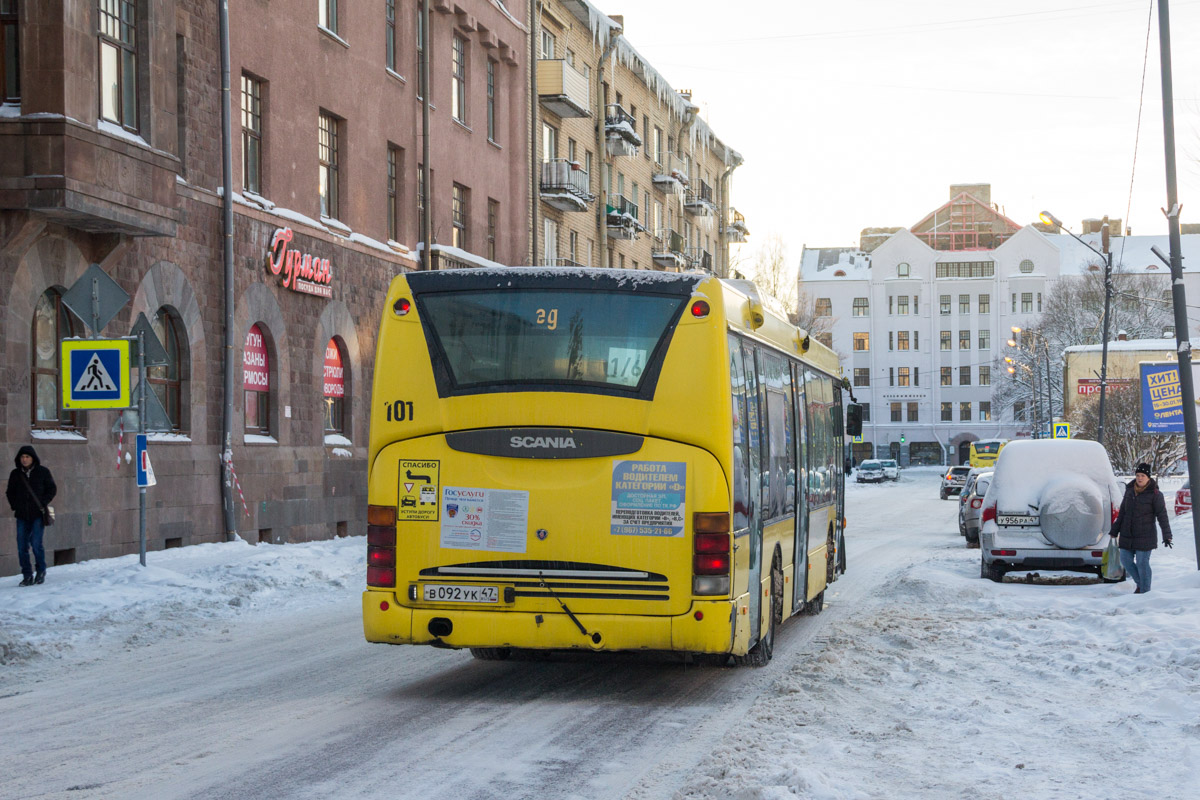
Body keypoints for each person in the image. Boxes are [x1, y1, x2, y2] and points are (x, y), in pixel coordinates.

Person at [1110, 462, 1173, 594]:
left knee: (1142, 563)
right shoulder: (1129, 491)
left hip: (1145, 535)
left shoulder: (1155, 494)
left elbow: (1162, 516)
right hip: (1127, 534)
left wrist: (1167, 535)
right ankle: (1141, 585)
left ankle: (1145, 591)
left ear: (1148, 477)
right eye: (1138, 475)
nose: (1139, 478)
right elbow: (1122, 512)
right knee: (1125, 560)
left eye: (1142, 475)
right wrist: (1115, 530)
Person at [6, 445, 56, 587]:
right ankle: (27, 575)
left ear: (33, 458)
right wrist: (15, 505)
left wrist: (43, 502)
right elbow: (10, 492)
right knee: (22, 546)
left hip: (37, 515)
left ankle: (41, 571)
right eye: (22, 457)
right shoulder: (15, 474)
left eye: (27, 457)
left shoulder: (42, 472)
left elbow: (52, 489)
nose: (24, 459)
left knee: (36, 544)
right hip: (21, 515)